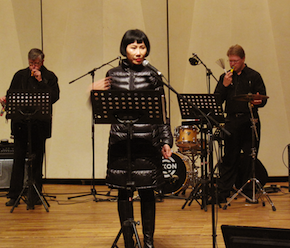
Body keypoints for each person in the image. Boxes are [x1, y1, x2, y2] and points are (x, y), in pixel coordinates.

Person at [92, 29, 173, 248]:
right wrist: (93, 93)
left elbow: (164, 113)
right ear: (124, 49)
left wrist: (166, 140)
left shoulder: (153, 75)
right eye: (133, 47)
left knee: (148, 193)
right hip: (121, 142)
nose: (138, 51)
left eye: (142, 46)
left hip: (147, 142)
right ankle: (128, 241)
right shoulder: (113, 74)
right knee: (123, 192)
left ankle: (148, 242)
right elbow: (100, 110)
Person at [1, 48, 60, 207]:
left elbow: (54, 97)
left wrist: (42, 82)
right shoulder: (20, 75)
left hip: (39, 125)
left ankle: (35, 194)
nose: (34, 66)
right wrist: (6, 101)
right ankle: (14, 195)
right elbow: (11, 94)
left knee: (37, 158)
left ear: (42, 62)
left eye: (37, 63)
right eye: (31, 63)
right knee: (18, 158)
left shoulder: (49, 77)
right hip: (21, 124)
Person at [214, 44, 267, 203]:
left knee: (250, 158)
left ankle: (249, 193)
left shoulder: (254, 76)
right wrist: (224, 85)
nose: (232, 64)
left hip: (250, 121)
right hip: (231, 122)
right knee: (229, 158)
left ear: (243, 59)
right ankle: (223, 193)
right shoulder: (225, 77)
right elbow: (216, 100)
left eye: (235, 61)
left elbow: (262, 100)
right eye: (230, 61)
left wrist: (257, 101)